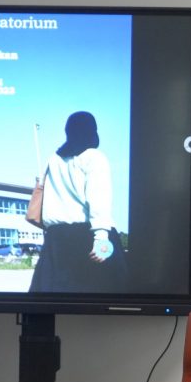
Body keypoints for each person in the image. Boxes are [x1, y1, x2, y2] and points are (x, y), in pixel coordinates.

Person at [30, 111, 127, 292]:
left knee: (55, 304)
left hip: (56, 241)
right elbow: (99, 199)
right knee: (102, 303)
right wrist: (102, 238)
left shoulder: (54, 160)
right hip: (87, 238)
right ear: (92, 131)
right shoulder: (94, 157)